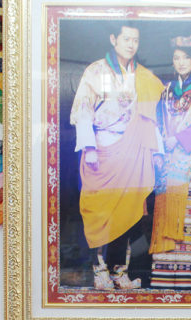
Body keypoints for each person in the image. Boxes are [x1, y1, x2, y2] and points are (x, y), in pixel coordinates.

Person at [70, 21, 164, 290]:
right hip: (102, 147)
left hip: (133, 150)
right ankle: (98, 270)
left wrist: (155, 151)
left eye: (135, 39)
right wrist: (88, 148)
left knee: (128, 213)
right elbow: (84, 110)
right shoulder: (96, 71)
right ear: (113, 39)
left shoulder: (143, 76)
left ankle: (118, 272)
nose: (131, 44)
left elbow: (150, 116)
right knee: (101, 212)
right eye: (126, 39)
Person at [149, 35, 191, 289]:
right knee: (166, 211)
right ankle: (165, 276)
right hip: (168, 162)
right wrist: (160, 148)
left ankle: (189, 277)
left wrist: (177, 139)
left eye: (186, 57)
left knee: (189, 218)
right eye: (177, 57)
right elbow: (156, 123)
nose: (181, 62)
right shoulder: (165, 90)